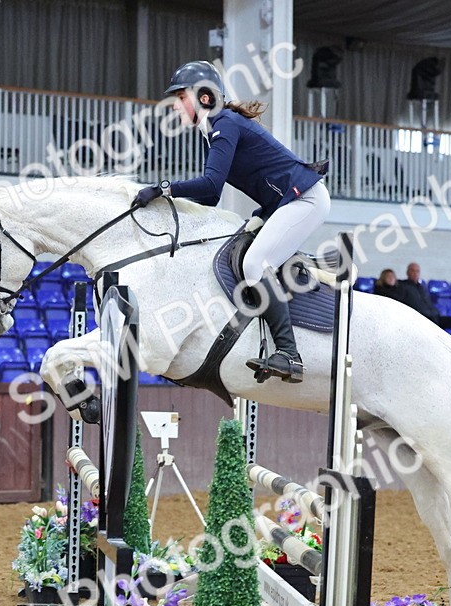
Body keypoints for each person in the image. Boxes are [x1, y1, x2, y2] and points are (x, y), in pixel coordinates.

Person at [130, 61, 331, 384]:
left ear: (204, 97)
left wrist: (162, 189)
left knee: (254, 265)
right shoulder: (214, 130)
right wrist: (166, 205)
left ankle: (290, 354)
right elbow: (210, 199)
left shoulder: (225, 123)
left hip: (305, 198)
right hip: (282, 205)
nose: (177, 104)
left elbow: (211, 186)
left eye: (182, 97)